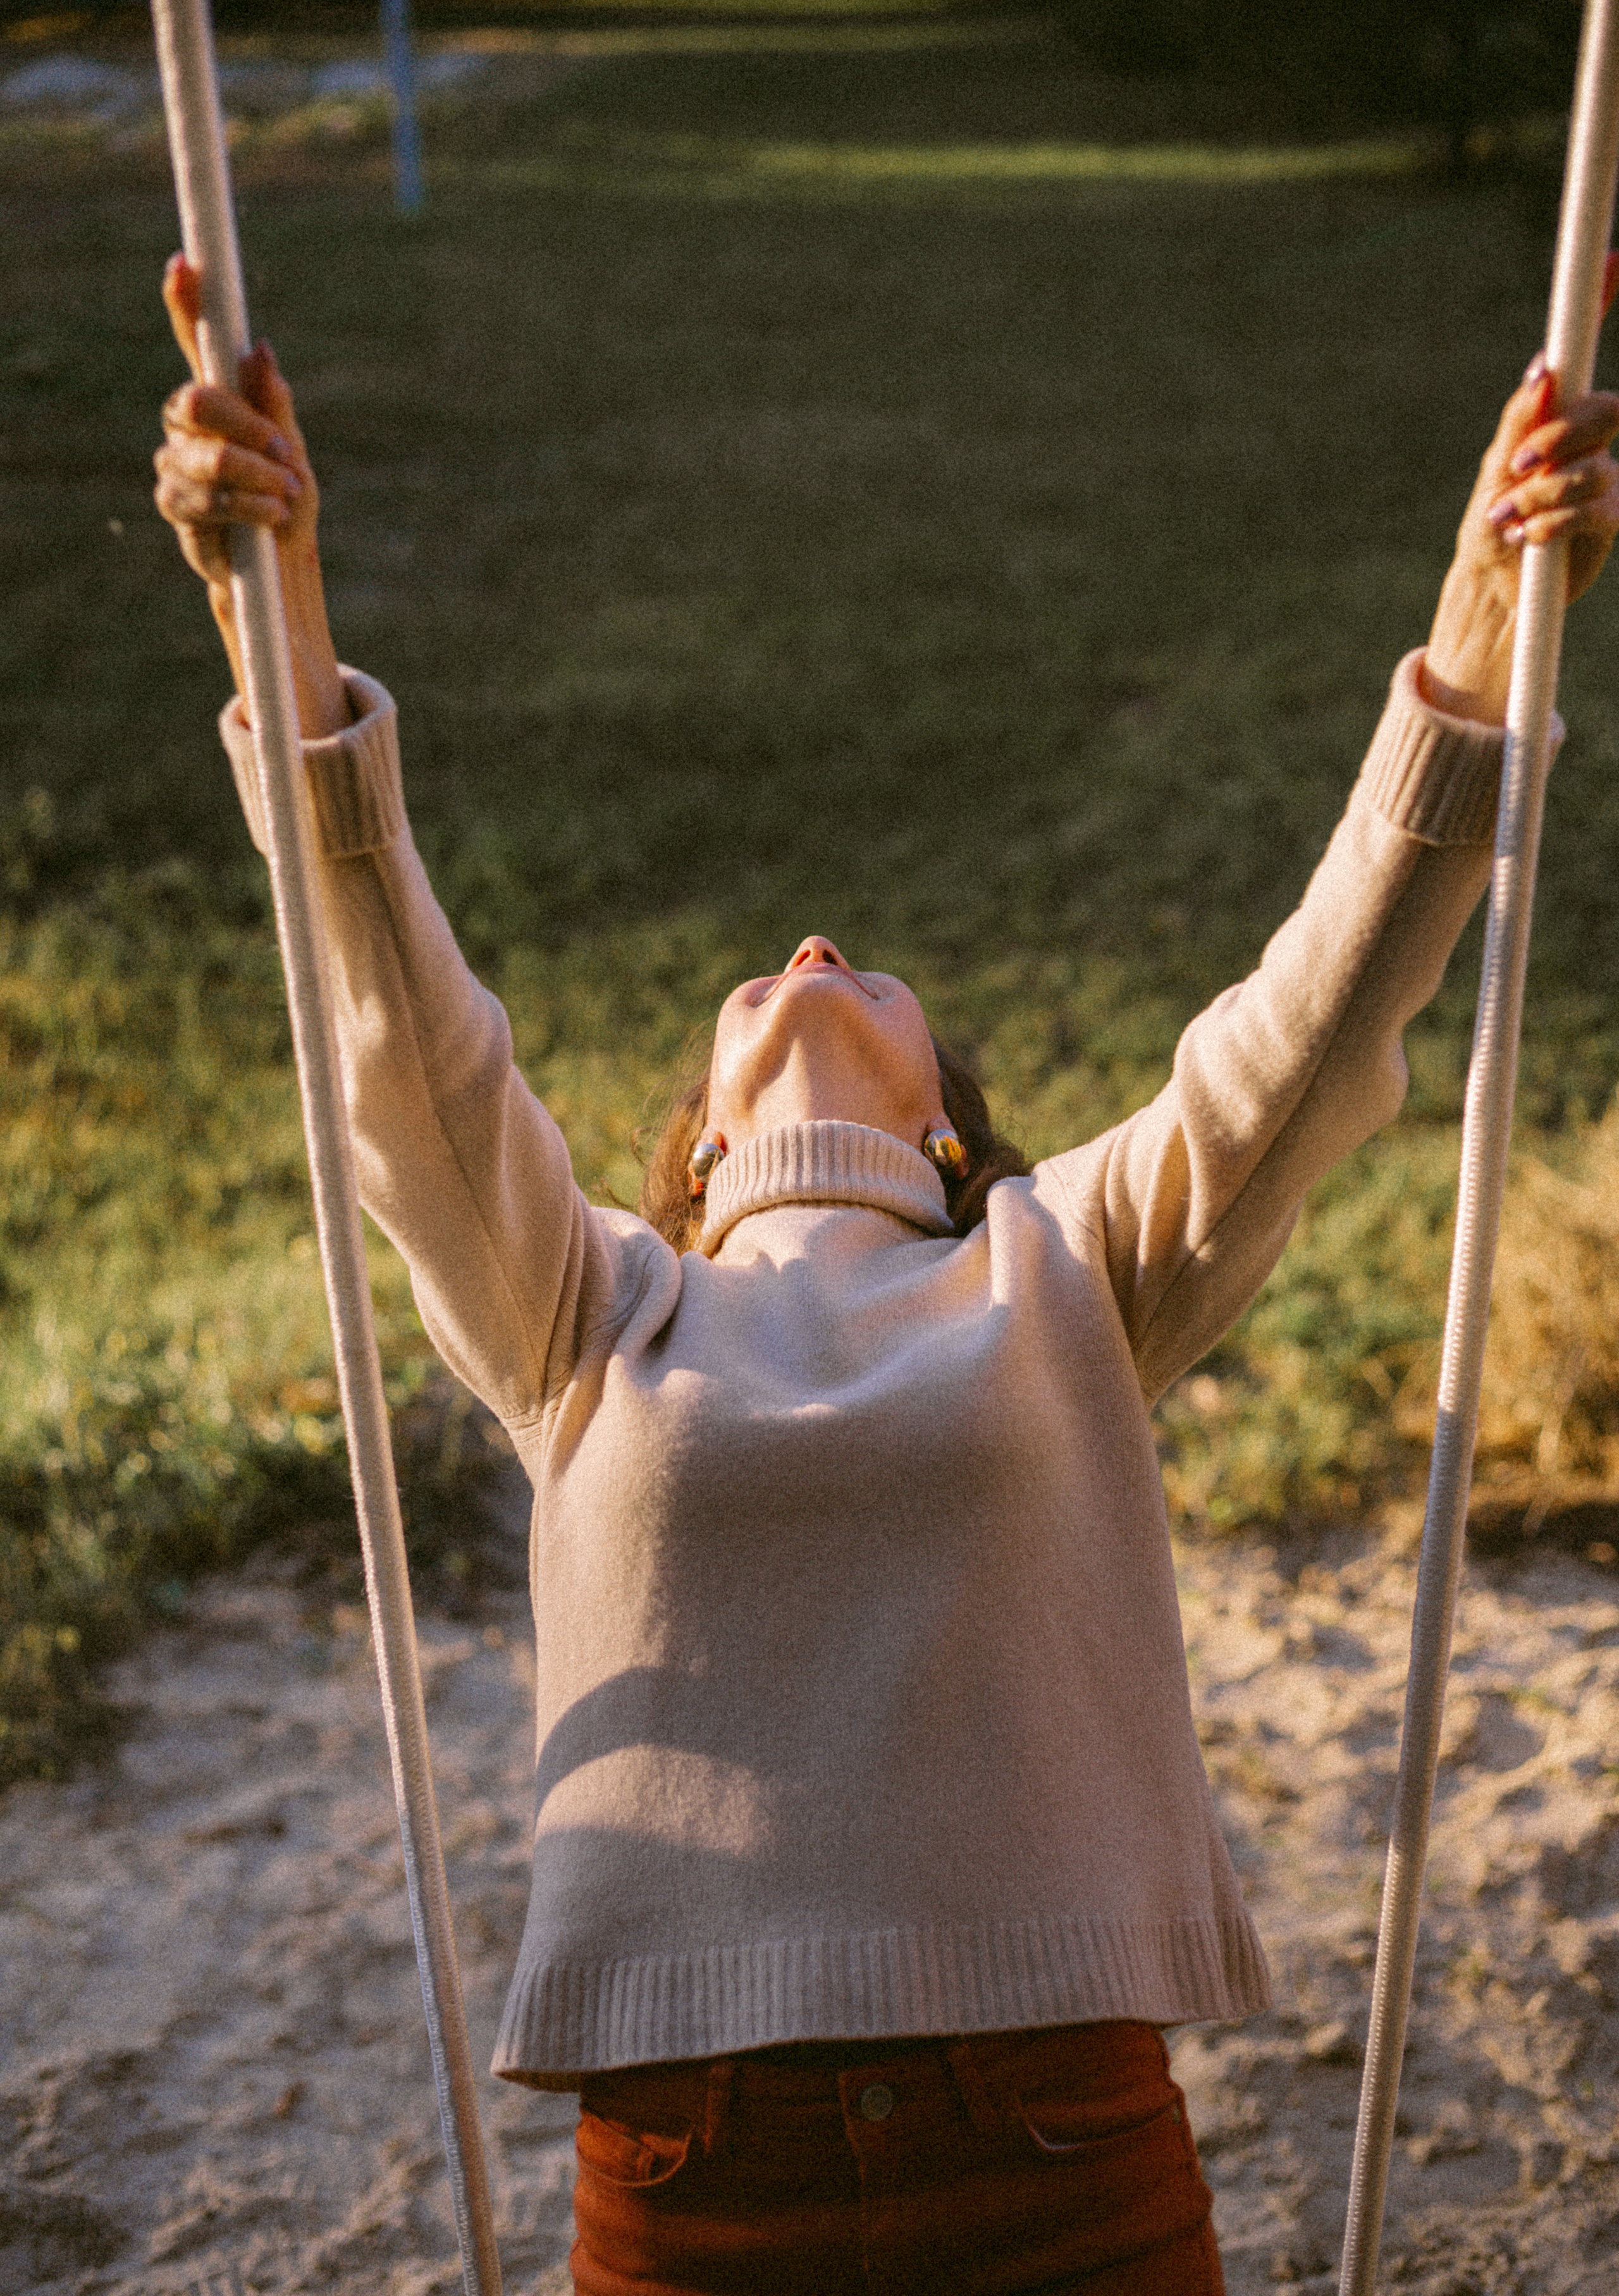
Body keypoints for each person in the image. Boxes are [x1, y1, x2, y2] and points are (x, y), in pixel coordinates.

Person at [154, 252, 1619, 2296]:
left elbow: (1315, 1020)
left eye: (860, 972)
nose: (816, 949)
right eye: (768, 977)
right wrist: (276, 612)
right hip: (690, 2169)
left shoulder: (1062, 1272)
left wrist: (1481, 633)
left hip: (1059, 2141)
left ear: (954, 1134)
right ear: (692, 1164)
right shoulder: (592, 1316)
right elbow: (402, 1036)